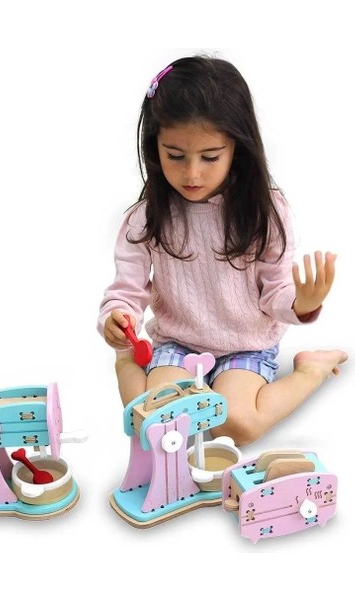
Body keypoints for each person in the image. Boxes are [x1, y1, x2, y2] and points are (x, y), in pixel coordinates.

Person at [97, 55, 347, 447]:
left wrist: (302, 304)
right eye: (175, 155)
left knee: (237, 427)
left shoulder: (265, 210)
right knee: (157, 425)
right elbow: (126, 290)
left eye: (210, 157)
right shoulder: (145, 217)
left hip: (245, 344)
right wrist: (119, 316)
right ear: (154, 146)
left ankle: (310, 370)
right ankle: (126, 360)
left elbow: (275, 292)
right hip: (177, 343)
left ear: (237, 148)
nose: (192, 173)